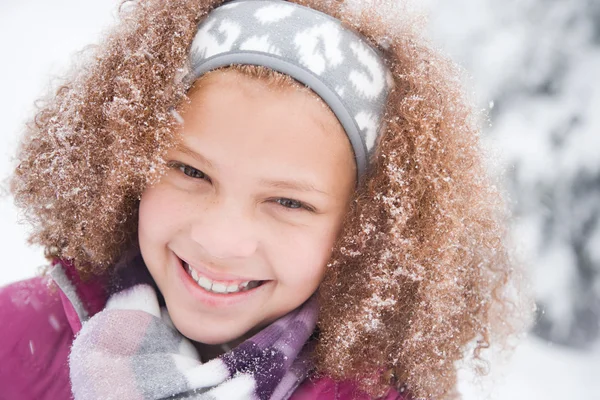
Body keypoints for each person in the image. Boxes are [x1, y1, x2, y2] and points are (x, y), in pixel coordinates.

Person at [0, 0, 530, 399]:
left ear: (367, 233)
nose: (220, 241)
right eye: (190, 171)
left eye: (289, 203)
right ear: (125, 158)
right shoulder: (13, 334)